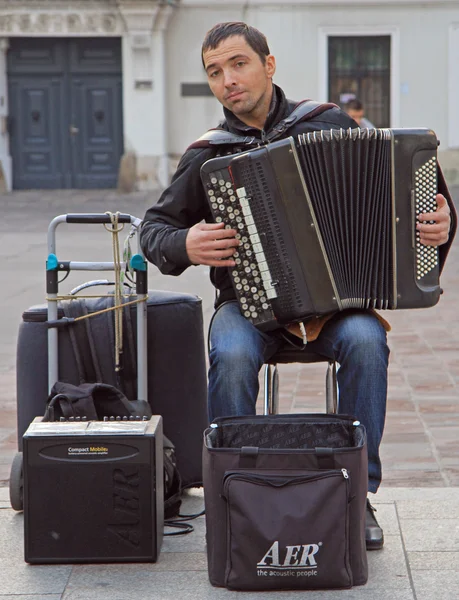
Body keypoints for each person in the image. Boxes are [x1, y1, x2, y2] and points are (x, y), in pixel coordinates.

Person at [140, 22, 453, 551]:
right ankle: (233, 493)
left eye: (238, 64)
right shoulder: (208, 153)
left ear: (269, 64)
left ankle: (358, 493)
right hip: (249, 305)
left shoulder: (326, 122)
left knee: (366, 341)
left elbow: (420, 195)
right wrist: (185, 244)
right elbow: (153, 229)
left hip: (336, 305)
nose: (227, 80)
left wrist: (439, 224)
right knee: (234, 355)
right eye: (215, 72)